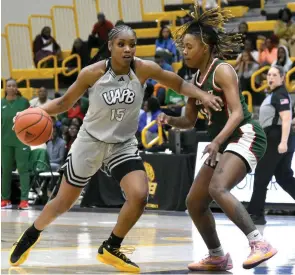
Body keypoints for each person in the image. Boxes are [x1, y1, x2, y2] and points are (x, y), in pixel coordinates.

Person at [9, 24, 222, 272]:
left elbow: (178, 84)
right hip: (90, 141)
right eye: (121, 44)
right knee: (62, 203)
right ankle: (31, 234)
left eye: (132, 44)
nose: (127, 49)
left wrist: (202, 95)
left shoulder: (143, 69)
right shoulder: (93, 73)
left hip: (122, 144)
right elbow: (64, 103)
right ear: (110, 46)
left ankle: (111, 246)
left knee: (140, 195)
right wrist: (31, 112)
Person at [157, 3, 277, 271]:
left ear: (207, 46)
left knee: (217, 187)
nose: (184, 51)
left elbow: (235, 114)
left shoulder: (222, 70)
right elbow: (189, 120)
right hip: (223, 142)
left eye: (189, 46)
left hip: (245, 135)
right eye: (183, 47)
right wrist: (170, 120)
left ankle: (259, 243)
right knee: (194, 202)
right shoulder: (193, 81)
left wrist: (215, 142)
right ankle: (217, 255)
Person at [248, 65, 295, 225]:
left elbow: (286, 118)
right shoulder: (276, 94)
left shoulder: (280, 94)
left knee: (262, 176)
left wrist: (283, 142)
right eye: (268, 74)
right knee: (284, 177)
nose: (270, 78)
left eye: (274, 75)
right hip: (279, 137)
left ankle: (255, 214)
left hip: (276, 138)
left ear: (282, 78)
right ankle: (256, 213)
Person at [1, 79, 31, 210]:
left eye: (13, 86)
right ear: (5, 88)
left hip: (21, 141)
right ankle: (5, 199)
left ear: (17, 88)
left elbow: (31, 119)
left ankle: (24, 200)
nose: (11, 88)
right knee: (5, 171)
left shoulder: (24, 102)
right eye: (9, 86)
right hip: (4, 142)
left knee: (23, 170)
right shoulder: (1, 103)